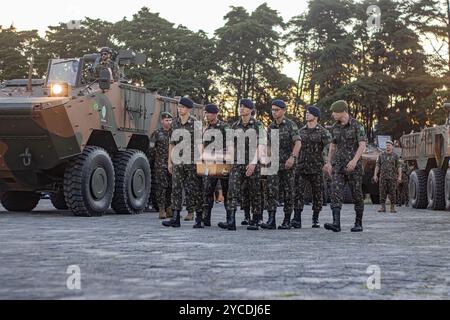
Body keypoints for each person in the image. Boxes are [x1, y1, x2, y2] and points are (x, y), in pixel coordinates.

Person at [219, 99, 265, 231]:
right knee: (232, 191)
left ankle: (255, 220)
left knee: (255, 192)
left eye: (244, 107)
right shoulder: (234, 126)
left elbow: (261, 145)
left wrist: (253, 163)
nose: (241, 109)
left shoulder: (258, 125)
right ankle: (231, 220)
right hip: (237, 163)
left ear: (251, 110)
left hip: (252, 163)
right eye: (240, 106)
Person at [323, 100, 367, 232]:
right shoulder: (335, 127)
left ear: (342, 111)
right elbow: (333, 145)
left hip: (354, 166)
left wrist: (354, 161)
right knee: (335, 192)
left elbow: (362, 145)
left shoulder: (356, 125)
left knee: (357, 194)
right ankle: (336, 223)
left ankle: (358, 223)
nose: (332, 115)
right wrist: (329, 162)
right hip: (338, 165)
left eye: (334, 112)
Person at [162, 97, 204, 228]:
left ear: (189, 109)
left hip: (192, 161)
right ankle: (175, 218)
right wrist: (169, 161)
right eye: (178, 107)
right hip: (178, 161)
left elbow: (200, 144)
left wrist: (200, 160)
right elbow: (172, 144)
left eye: (182, 107)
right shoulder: (175, 123)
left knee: (194, 189)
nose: (179, 109)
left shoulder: (196, 123)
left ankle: (198, 218)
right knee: (176, 188)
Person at [260, 100, 301, 230]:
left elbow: (298, 143)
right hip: (274, 164)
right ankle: (271, 220)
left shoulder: (290, 125)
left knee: (288, 191)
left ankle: (287, 220)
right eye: (272, 110)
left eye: (277, 110)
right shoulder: (271, 127)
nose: (274, 112)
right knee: (271, 191)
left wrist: (292, 157)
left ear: (284, 110)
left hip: (288, 164)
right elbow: (269, 145)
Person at [293, 105, 331, 229]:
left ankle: (315, 218)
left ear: (316, 116)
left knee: (317, 194)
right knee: (298, 192)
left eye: (309, 113)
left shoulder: (323, 132)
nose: (306, 115)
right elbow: (295, 146)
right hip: (302, 166)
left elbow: (328, 147)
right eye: (306, 113)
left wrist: (327, 162)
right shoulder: (300, 131)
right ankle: (297, 218)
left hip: (317, 167)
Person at [200, 104, 230, 227]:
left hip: (222, 163)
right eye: (205, 113)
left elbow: (230, 144)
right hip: (209, 163)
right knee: (207, 189)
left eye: (208, 113)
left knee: (227, 190)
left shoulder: (224, 127)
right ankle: (206, 218)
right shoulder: (206, 128)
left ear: (215, 114)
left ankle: (229, 218)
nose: (206, 115)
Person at [149, 112, 173, 219]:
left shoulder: (175, 133)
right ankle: (161, 209)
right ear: (162, 121)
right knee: (161, 187)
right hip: (160, 164)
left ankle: (169, 209)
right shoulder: (157, 133)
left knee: (171, 187)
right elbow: (151, 149)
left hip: (172, 164)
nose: (168, 122)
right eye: (166, 120)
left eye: (170, 120)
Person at [373, 140, 402, 213]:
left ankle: (392, 207)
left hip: (392, 178)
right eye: (386, 145)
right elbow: (377, 165)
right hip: (383, 177)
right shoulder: (381, 155)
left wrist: (399, 177)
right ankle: (383, 207)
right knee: (382, 192)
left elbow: (399, 166)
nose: (387, 147)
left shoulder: (395, 156)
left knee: (392, 192)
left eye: (389, 145)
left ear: (392, 146)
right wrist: (375, 175)